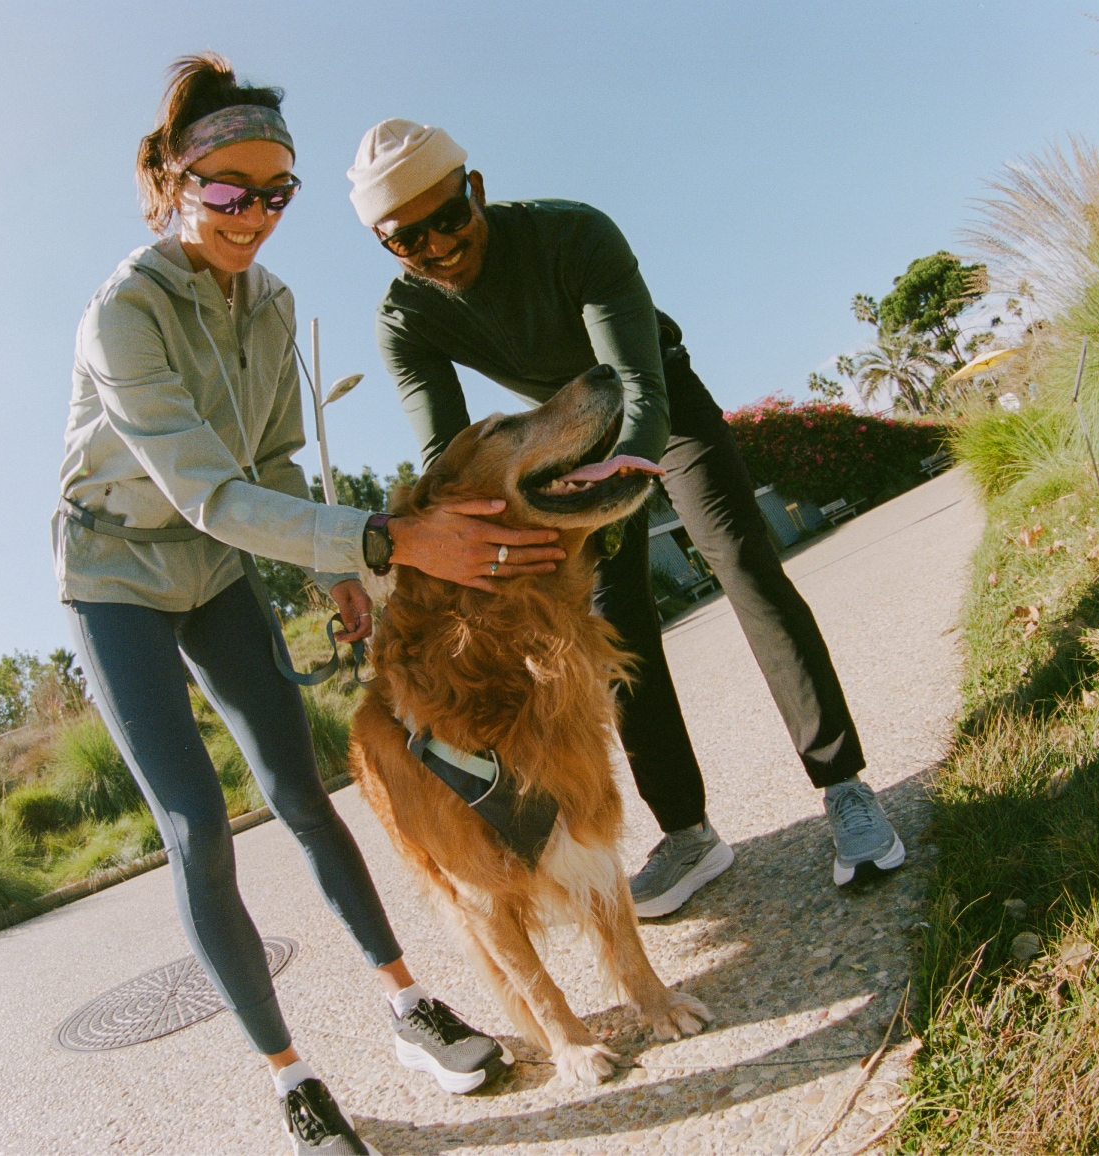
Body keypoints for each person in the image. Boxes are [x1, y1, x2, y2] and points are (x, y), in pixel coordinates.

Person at [54, 61, 567, 1155]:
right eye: (230, 190)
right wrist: (382, 539)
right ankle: (290, 1077)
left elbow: (275, 460)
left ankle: (407, 1005)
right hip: (116, 575)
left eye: (276, 193)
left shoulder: (275, 305)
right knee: (196, 825)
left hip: (220, 563)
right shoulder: (122, 317)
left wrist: (333, 565)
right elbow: (204, 487)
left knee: (303, 785)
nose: (254, 216)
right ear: (171, 179)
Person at [345, 120, 907, 916]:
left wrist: (618, 471)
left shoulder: (572, 232)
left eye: (447, 219)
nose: (436, 246)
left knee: (742, 566)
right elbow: (454, 461)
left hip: (656, 408)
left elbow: (634, 385)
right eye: (407, 240)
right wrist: (479, 534)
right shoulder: (405, 319)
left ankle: (844, 785)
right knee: (614, 621)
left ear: (474, 190)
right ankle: (686, 831)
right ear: (385, 243)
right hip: (563, 441)